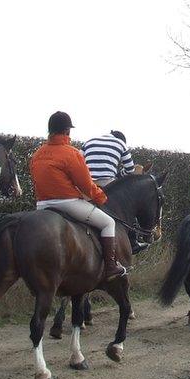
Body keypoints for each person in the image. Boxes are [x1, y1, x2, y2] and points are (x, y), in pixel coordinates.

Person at [30, 111, 127, 281]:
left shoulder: (37, 155)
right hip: (68, 203)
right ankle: (111, 267)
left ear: (50, 130)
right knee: (108, 223)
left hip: (42, 205)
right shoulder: (71, 153)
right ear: (67, 131)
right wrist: (101, 198)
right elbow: (86, 185)